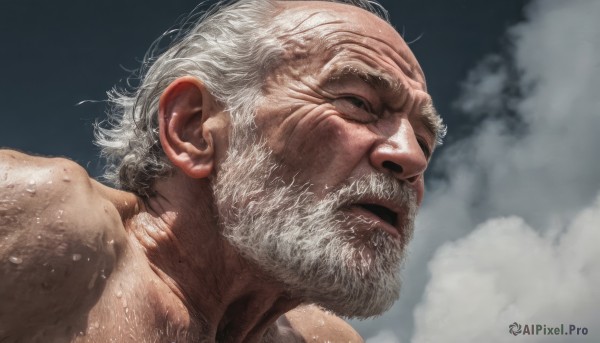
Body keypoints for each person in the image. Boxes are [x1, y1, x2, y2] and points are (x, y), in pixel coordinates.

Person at [0, 0, 445, 342]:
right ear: (194, 128)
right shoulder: (46, 223)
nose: (412, 157)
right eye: (359, 103)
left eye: (424, 141)